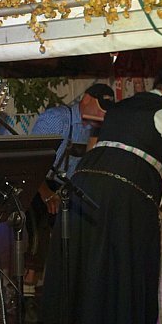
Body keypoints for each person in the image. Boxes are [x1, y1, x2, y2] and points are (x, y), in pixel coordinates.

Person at [40, 62, 162, 324]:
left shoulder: (121, 107)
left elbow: (93, 146)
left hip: (84, 184)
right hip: (125, 193)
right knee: (130, 269)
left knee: (89, 264)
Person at [26, 83, 116, 275]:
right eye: (100, 108)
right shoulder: (57, 119)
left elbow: (88, 165)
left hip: (67, 186)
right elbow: (32, 160)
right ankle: (28, 285)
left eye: (106, 111)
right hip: (38, 182)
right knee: (40, 232)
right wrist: (46, 193)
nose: (102, 114)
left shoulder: (95, 127)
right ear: (86, 99)